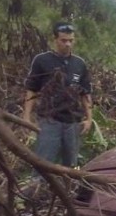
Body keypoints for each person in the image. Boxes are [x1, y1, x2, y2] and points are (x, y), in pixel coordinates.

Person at [22, 22, 93, 168]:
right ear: (55, 40)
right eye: (64, 40)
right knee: (43, 163)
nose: (67, 44)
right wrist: (26, 117)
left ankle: (66, 190)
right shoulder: (42, 60)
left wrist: (89, 118)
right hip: (49, 120)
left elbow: (85, 93)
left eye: (71, 41)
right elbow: (31, 89)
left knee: (71, 166)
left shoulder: (79, 64)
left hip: (73, 121)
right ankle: (39, 188)